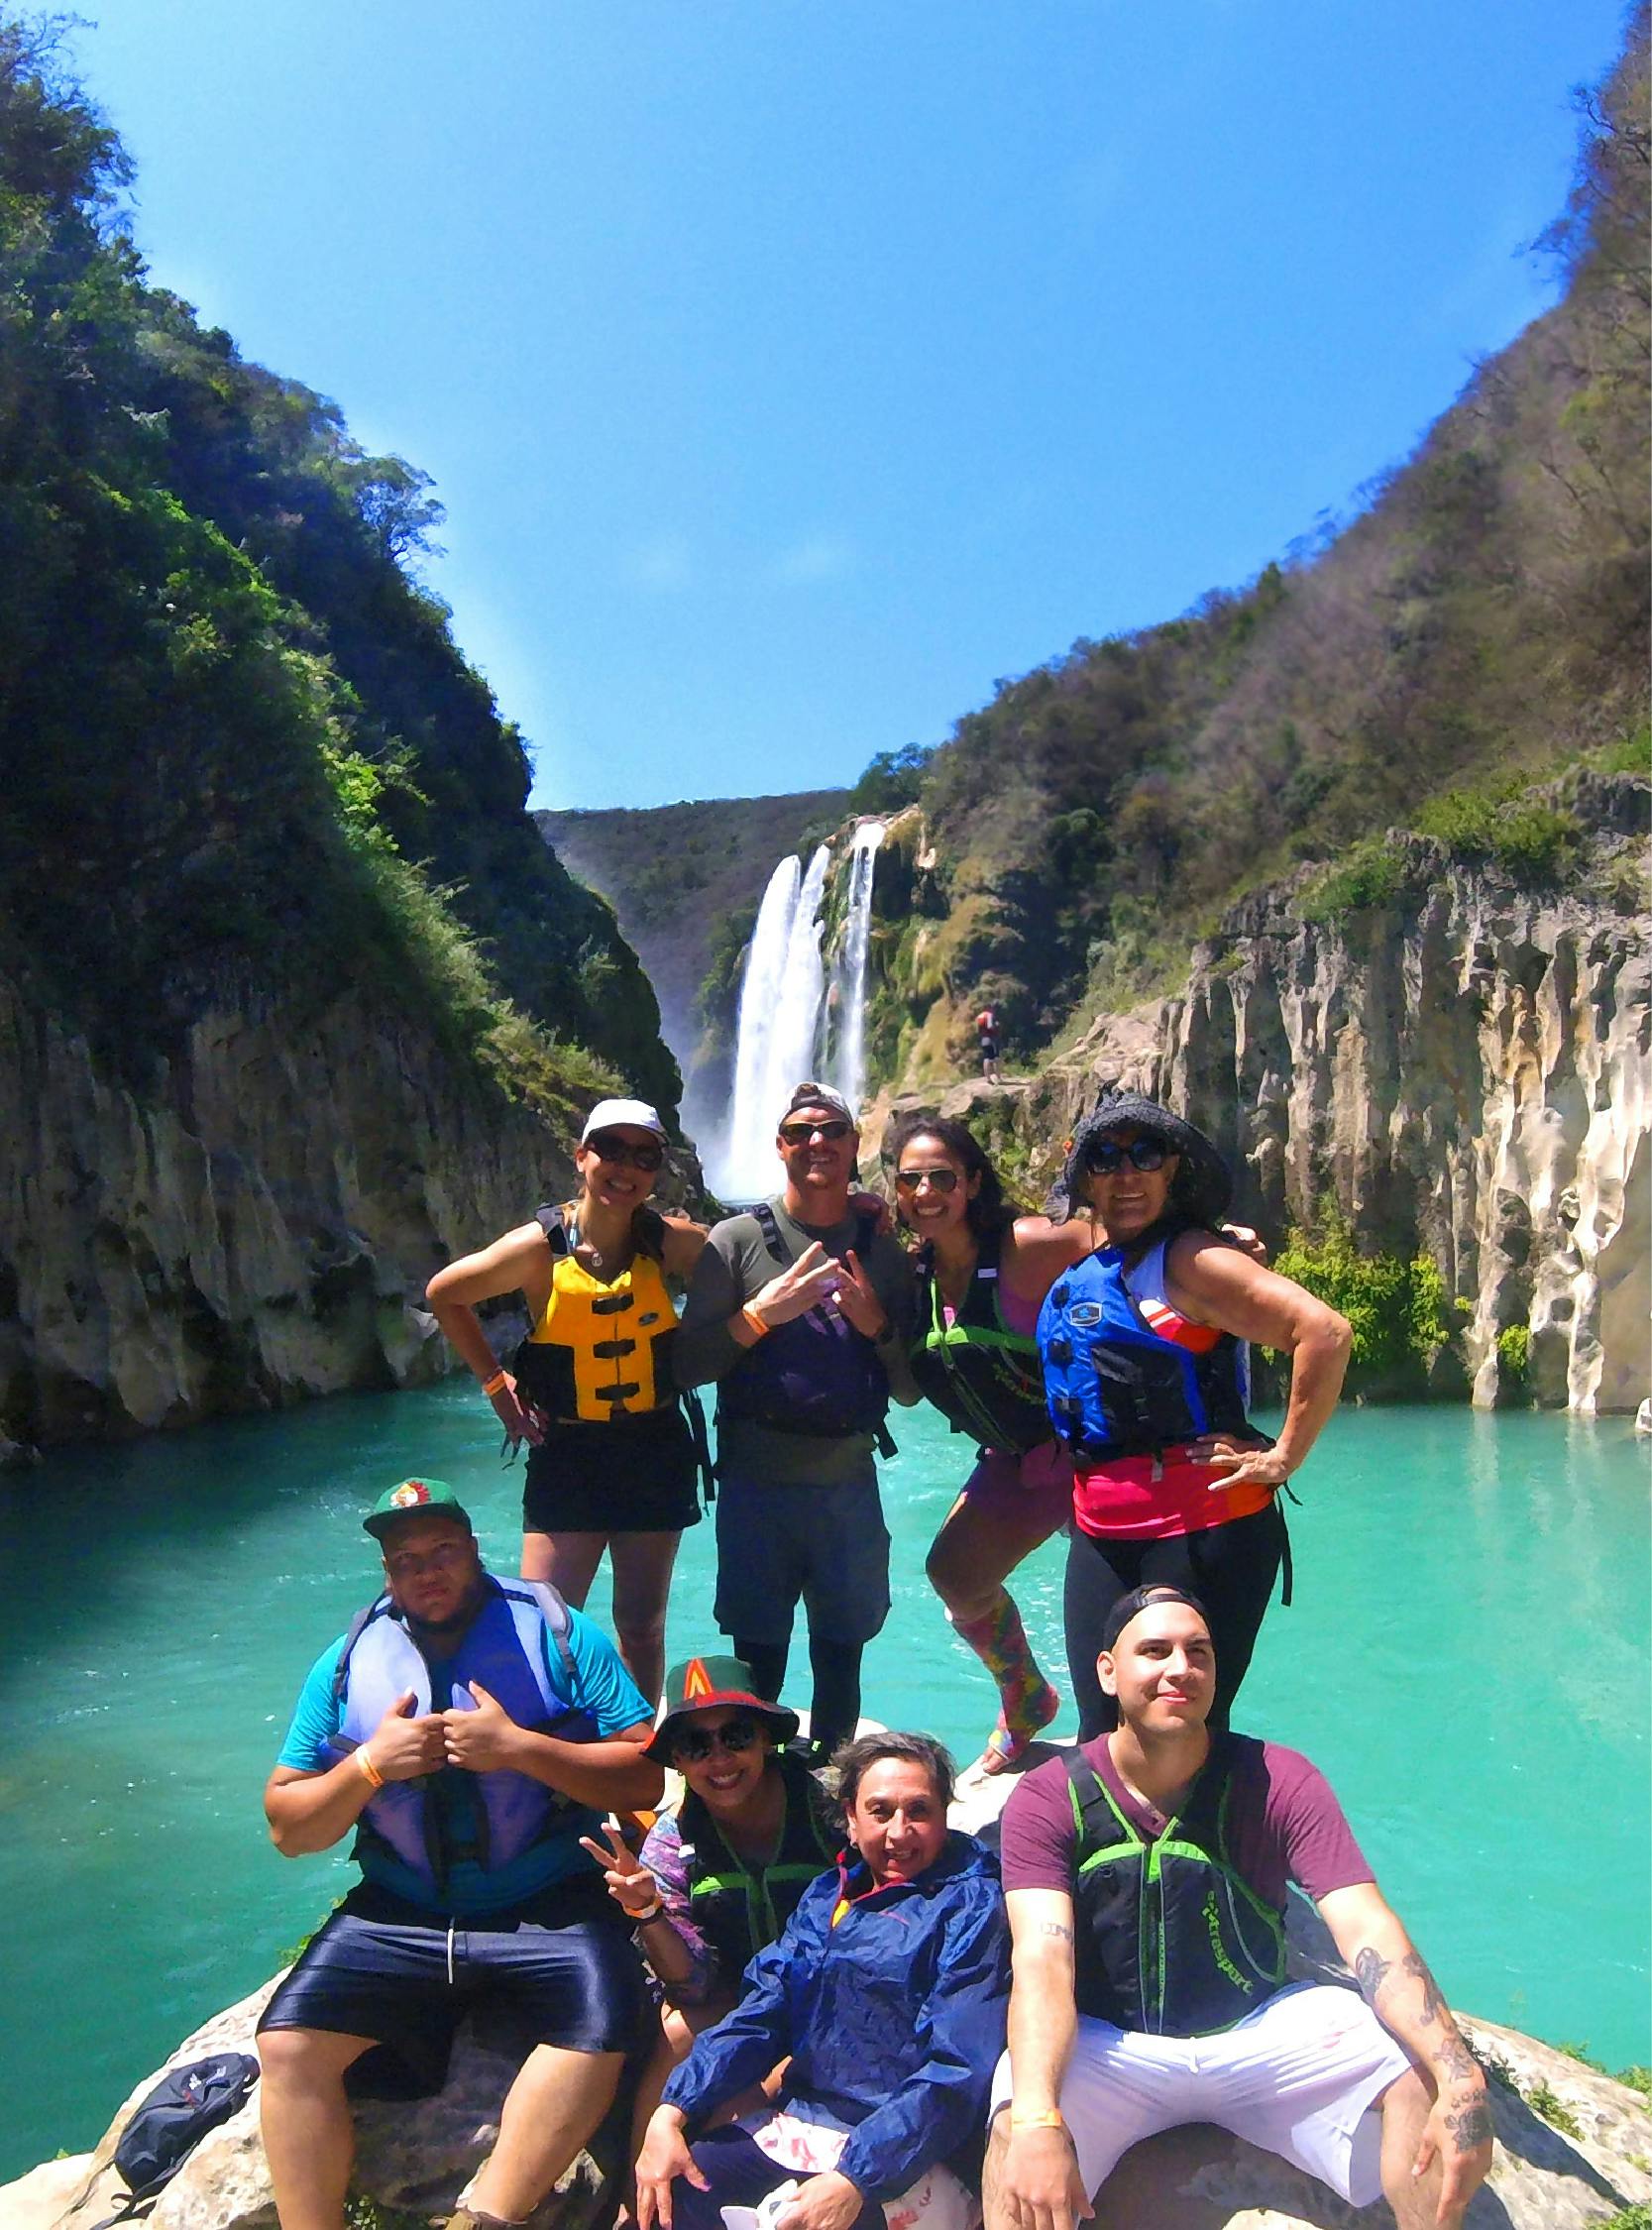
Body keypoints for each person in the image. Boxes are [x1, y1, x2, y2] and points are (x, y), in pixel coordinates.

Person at [983, 1586, 1493, 2230]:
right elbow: (1042, 1959)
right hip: (1110, 2047)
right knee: (1014, 2130)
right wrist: (1035, 2119)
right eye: (1154, 1650)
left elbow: (1364, 1924)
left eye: (1197, 1652)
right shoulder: (1048, 1798)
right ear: (1107, 1671)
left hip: (1260, 2029)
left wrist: (1457, 2072)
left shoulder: (1277, 1777)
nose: (1180, 1668)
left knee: (1419, 2078)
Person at [257, 1479, 663, 2230]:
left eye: (443, 1549)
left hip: (547, 1898)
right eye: (406, 1558)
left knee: (603, 2028)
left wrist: (519, 1749)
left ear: (474, 1550)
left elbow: (645, 1771)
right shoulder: (345, 1661)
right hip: (400, 1908)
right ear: (387, 1572)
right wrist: (367, 1767)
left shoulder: (557, 1631)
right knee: (286, 2048)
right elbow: (289, 1827)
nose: (427, 1570)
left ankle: (485, 2217)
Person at [891, 1113, 1269, 1777]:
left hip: (1100, 1450)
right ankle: (1026, 1699)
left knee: (1136, 1626)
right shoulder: (913, 1275)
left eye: (942, 1177)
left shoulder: (1028, 1244)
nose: (926, 1192)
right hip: (1022, 1459)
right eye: (911, 1180)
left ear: (973, 1182)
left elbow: (1117, 1230)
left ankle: (1168, 1765)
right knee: (954, 1573)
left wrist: (1212, 1244)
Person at [1039, 1090, 1351, 1736]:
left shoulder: (1189, 1258)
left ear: (1171, 1169)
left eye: (1144, 1154)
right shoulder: (1092, 1266)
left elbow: (1323, 1332)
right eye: (1104, 1158)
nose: (1126, 1175)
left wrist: (1281, 1457)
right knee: (1102, 1734)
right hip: (1101, 1532)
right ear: (1083, 1177)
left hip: (1200, 1531)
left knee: (1184, 1735)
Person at [635, 1732, 1011, 2230]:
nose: (899, 1832)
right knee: (682, 2190)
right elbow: (762, 2011)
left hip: (910, 2147)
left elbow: (957, 2068)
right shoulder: (827, 1896)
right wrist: (673, 2108)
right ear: (851, 1820)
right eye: (880, 1811)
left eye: (918, 1810)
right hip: (807, 2120)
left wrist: (854, 2179)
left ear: (945, 1813)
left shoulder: (972, 1906)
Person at [426, 1096, 709, 1705]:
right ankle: (549, 1763)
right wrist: (499, 1390)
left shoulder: (672, 1244)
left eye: (644, 1155)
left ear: (658, 1170)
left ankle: (636, 1763)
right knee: (545, 1623)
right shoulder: (538, 1248)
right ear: (582, 1157)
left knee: (640, 1626)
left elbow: (746, 1264)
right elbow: (445, 1294)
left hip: (654, 1447)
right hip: (568, 1451)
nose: (625, 1167)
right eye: (610, 1149)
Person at [674, 1082, 919, 1758]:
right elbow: (685, 1365)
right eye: (800, 1131)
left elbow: (907, 1391)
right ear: (779, 1146)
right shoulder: (736, 1240)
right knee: (758, 1658)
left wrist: (876, 1329)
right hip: (756, 1486)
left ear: (853, 1145)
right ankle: (761, 1790)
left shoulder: (882, 1250)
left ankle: (836, 1795)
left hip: (847, 1486)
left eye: (833, 1130)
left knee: (842, 1653)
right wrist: (758, 1316)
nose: (817, 1142)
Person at [581, 1654, 838, 2147]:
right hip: (743, 2007)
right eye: (696, 1745)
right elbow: (695, 1987)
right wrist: (648, 1911)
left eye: (736, 1736)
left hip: (838, 1999)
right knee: (679, 2031)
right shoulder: (671, 1843)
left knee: (738, 2114)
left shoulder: (828, 1808)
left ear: (766, 1738)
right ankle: (636, 2203)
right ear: (677, 1761)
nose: (719, 1760)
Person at [974, 1008, 1002, 1086]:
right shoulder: (989, 1015)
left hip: (983, 1040)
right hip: (991, 1040)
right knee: (996, 1058)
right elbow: (990, 1027)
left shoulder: (979, 1016)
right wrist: (996, 1025)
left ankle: (988, 1078)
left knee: (986, 1058)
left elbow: (978, 1030)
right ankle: (998, 1078)